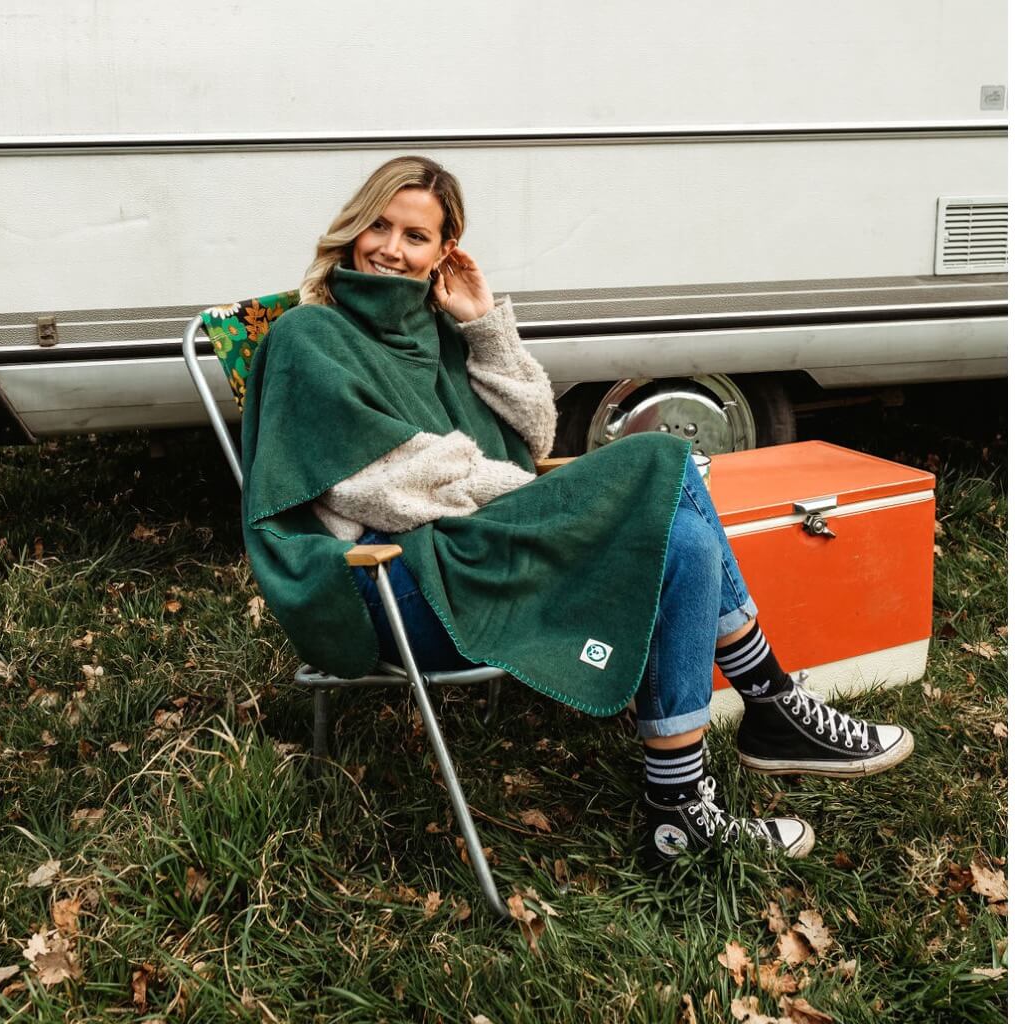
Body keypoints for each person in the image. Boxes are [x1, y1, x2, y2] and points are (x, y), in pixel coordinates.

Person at [240, 156, 913, 870]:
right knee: (660, 461)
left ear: (444, 253)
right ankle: (770, 704)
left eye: (416, 236)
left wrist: (482, 328)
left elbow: (533, 433)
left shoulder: (434, 331)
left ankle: (678, 811)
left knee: (678, 539)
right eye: (379, 224)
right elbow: (384, 488)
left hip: (476, 553)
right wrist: (536, 501)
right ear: (351, 227)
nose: (391, 248)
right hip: (386, 583)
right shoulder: (305, 337)